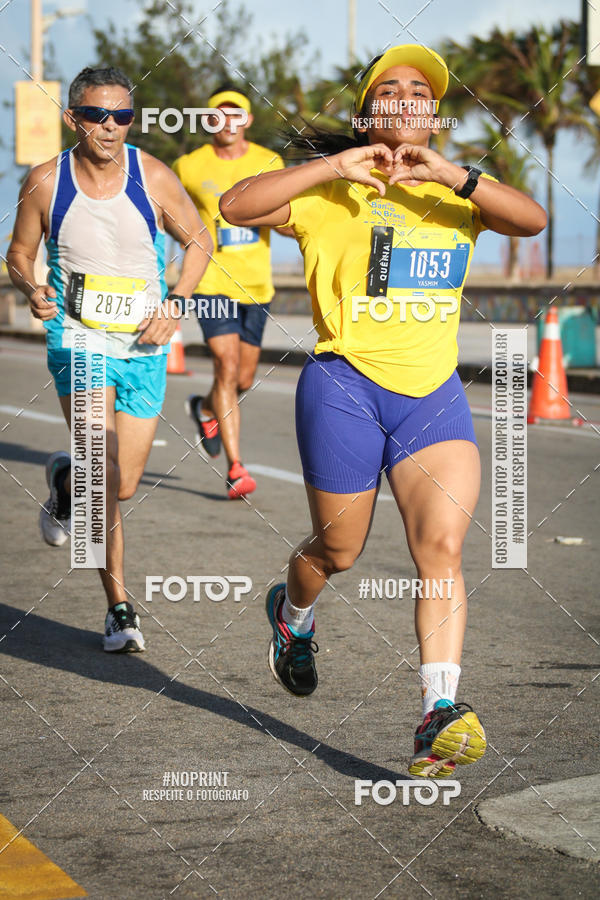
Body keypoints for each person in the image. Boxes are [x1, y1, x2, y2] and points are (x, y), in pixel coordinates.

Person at [220, 45, 546, 777]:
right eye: (388, 89)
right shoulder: (328, 192)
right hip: (345, 386)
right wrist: (335, 165)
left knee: (443, 550)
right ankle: (292, 614)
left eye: (419, 91)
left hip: (433, 396)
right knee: (338, 552)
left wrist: (455, 175)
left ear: (434, 115)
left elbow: (533, 220)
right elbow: (235, 205)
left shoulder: (459, 193)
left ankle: (438, 711)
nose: (405, 96)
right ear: (370, 113)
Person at [7, 66, 211, 652]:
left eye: (123, 115)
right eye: (98, 115)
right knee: (104, 477)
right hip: (79, 339)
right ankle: (119, 608)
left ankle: (65, 481)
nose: (111, 126)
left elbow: (199, 239)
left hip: (144, 344)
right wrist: (30, 286)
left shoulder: (152, 175)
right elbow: (20, 251)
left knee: (121, 486)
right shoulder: (47, 181)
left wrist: (176, 302)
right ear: (74, 118)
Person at [173, 84, 288, 499]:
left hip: (256, 283)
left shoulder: (268, 161)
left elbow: (286, 212)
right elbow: (170, 214)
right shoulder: (188, 166)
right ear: (209, 120)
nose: (227, 121)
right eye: (219, 114)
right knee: (225, 363)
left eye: (236, 113)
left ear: (248, 120)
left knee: (242, 376)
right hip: (211, 281)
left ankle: (204, 408)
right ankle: (237, 468)